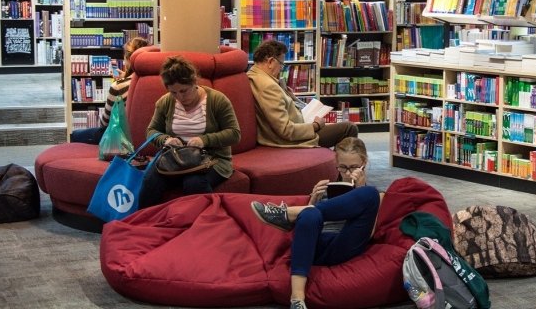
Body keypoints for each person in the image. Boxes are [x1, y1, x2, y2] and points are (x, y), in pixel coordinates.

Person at [250, 137, 382, 309]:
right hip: (317, 246)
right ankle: (297, 300)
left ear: (364, 163)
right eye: (343, 167)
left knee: (369, 194)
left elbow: (369, 234)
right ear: (336, 162)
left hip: (345, 243)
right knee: (311, 214)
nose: (348, 172)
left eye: (354, 167)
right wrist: (313, 201)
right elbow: (307, 230)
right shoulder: (326, 189)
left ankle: (289, 214)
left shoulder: (373, 195)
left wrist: (360, 189)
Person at [138, 55, 241, 208]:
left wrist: (204, 140)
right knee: (149, 182)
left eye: (184, 91)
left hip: (211, 159)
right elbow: (151, 131)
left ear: (194, 82)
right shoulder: (165, 102)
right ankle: (144, 223)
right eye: (174, 93)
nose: (180, 97)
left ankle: (205, 226)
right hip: (174, 158)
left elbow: (234, 133)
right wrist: (166, 140)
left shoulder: (217, 100)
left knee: (194, 183)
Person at [247, 40, 358, 148]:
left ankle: (339, 163)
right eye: (281, 64)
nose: (281, 69)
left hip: (299, 127)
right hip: (293, 139)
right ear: (270, 61)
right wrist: (315, 126)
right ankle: (343, 164)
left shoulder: (255, 75)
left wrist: (292, 97)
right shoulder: (268, 86)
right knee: (349, 128)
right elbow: (285, 130)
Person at [69, 36, 152, 144]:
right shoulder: (155, 81)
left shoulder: (119, 86)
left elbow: (104, 123)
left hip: (123, 137)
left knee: (76, 135)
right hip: (148, 135)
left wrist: (122, 81)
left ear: (127, 58)